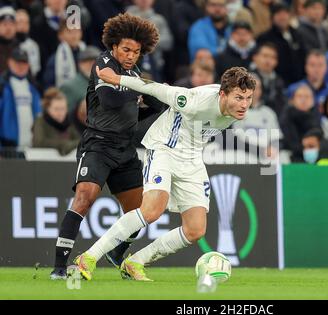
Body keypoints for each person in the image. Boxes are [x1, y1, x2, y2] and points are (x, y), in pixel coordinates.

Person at [74, 66, 256, 281]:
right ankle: (88, 257)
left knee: (195, 230)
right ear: (222, 94)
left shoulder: (235, 109)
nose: (244, 105)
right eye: (239, 98)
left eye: (248, 98)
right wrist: (116, 78)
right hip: (164, 149)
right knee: (151, 211)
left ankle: (135, 262)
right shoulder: (194, 99)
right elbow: (154, 88)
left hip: (192, 159)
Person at [50, 13, 161, 280]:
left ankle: (117, 252)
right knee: (84, 198)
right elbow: (109, 99)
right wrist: (143, 90)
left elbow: (153, 106)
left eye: (136, 51)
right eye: (126, 49)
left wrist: (152, 95)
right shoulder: (103, 64)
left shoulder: (132, 74)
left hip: (125, 150)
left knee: (141, 212)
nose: (131, 55)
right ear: (113, 46)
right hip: (98, 145)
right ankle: (59, 267)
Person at [0, 47, 41, 148]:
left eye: (24, 63)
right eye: (17, 62)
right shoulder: (2, 86)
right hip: (8, 147)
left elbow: (39, 116)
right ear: (10, 62)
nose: (21, 66)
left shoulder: (33, 87)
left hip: (31, 146)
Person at [32, 88, 80, 155]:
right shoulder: (40, 121)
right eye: (56, 109)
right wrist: (64, 145)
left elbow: (80, 141)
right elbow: (38, 142)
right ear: (47, 108)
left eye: (63, 108)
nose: (60, 113)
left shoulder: (69, 122)